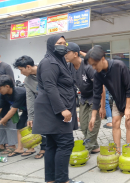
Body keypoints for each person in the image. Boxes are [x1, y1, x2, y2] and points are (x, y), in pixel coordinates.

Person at [32, 35, 82, 183]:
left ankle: (51, 180)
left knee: (52, 145)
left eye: (64, 43)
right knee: (66, 143)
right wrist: (62, 109)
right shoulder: (49, 62)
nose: (63, 45)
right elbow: (50, 87)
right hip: (53, 111)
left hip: (53, 109)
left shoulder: (57, 61)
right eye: (59, 43)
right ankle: (62, 180)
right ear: (51, 45)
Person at [85, 45, 130, 153]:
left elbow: (129, 88)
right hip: (117, 99)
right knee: (115, 122)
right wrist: (93, 117)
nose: (94, 67)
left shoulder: (119, 66)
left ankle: (129, 150)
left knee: (128, 122)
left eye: (94, 64)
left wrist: (127, 108)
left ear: (103, 58)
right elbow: (96, 95)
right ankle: (117, 151)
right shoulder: (98, 74)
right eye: (92, 65)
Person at [65, 42, 105, 154]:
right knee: (83, 125)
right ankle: (95, 146)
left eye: (67, 52)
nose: (65, 55)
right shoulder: (69, 67)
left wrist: (102, 107)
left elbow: (101, 87)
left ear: (75, 54)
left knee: (93, 124)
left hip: (95, 97)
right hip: (83, 97)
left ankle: (86, 149)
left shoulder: (88, 66)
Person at [13, 55, 46, 159]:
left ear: (28, 67)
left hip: (55, 103)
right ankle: (43, 148)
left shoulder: (45, 71)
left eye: (21, 70)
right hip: (41, 105)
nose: (21, 73)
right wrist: (31, 117)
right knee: (40, 125)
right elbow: (30, 99)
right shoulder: (27, 81)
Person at [0, 75, 19, 156]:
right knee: (2, 127)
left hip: (15, 109)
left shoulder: (18, 92)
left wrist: (4, 119)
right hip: (6, 110)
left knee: (10, 127)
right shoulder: (2, 94)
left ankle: (12, 146)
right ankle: (2, 145)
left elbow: (13, 110)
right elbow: (0, 106)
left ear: (7, 86)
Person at [0, 55, 15, 153]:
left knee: (8, 120)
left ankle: (11, 144)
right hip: (1, 97)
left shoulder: (5, 67)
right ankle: (2, 143)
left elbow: (11, 82)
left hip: (7, 97)